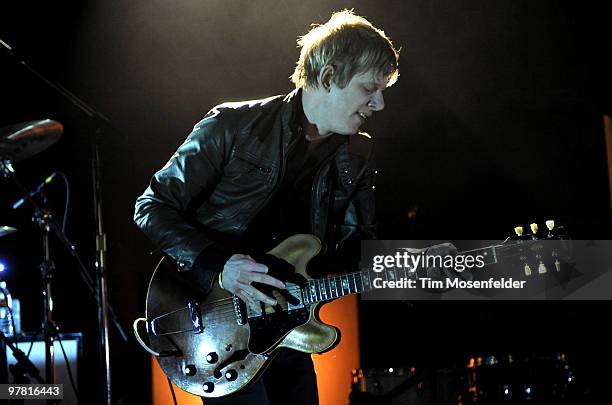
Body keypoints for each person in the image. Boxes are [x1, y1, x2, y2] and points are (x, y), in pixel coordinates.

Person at [134, 9, 400, 405]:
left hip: (289, 326)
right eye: (369, 89)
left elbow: (356, 247)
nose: (378, 103)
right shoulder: (230, 125)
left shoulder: (357, 155)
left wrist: (414, 268)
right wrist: (221, 265)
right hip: (215, 320)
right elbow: (151, 206)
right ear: (328, 78)